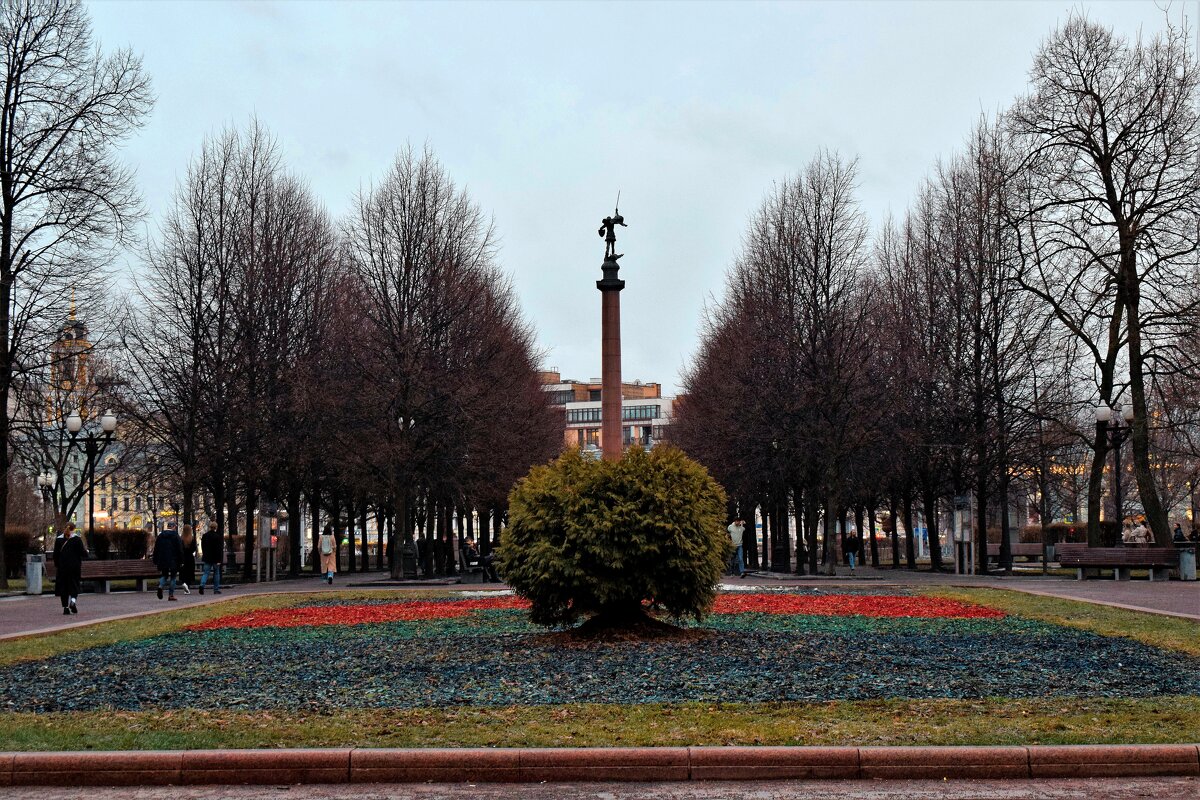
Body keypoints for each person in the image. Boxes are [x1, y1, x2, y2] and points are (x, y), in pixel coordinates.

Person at [53, 523, 87, 615]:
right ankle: (73, 601)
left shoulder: (59, 539)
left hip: (62, 568)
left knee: (63, 587)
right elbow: (83, 553)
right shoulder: (77, 539)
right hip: (74, 567)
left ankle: (65, 608)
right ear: (74, 529)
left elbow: (55, 555)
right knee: (74, 585)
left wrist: (58, 565)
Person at [153, 521, 183, 601]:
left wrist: (155, 559)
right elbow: (180, 549)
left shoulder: (160, 536)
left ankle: (160, 586)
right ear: (173, 527)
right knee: (173, 577)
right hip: (174, 560)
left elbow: (156, 549)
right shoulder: (176, 536)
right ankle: (171, 595)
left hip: (163, 559)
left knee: (164, 575)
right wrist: (181, 560)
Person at [199, 521, 223, 595]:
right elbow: (219, 549)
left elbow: (203, 547)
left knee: (206, 573)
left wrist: (205, 554)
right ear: (216, 527)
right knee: (216, 573)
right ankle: (216, 589)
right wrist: (219, 559)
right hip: (216, 558)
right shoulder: (217, 536)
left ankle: (202, 585)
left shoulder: (205, 536)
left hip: (207, 557)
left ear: (210, 527)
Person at [179, 524, 196, 594]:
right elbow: (194, 549)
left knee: (183, 572)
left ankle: (184, 583)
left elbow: (179, 549)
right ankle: (187, 586)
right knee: (189, 572)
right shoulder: (192, 539)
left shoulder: (181, 539)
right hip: (190, 557)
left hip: (183, 557)